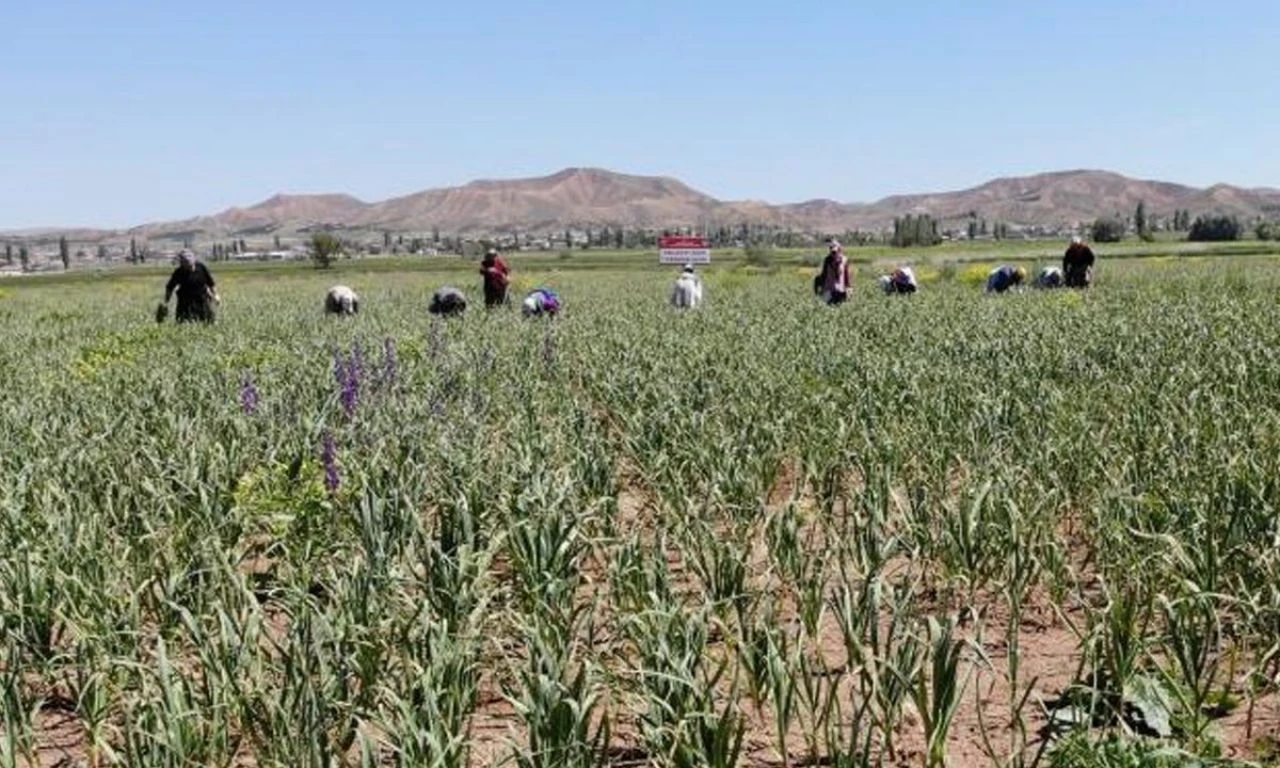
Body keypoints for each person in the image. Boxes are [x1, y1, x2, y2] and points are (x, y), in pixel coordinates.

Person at [163, 250, 219, 323]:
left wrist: (216, 295)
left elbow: (210, 283)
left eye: (190, 264)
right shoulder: (178, 272)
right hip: (185, 303)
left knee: (208, 322)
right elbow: (170, 287)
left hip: (202, 301)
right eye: (185, 264)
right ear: (182, 263)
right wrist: (166, 302)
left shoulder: (201, 268)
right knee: (184, 323)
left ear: (194, 261)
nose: (188, 267)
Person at [818, 240, 851, 305]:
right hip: (829, 288)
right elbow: (824, 274)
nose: (833, 253)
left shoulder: (844, 260)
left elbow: (846, 274)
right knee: (829, 306)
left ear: (839, 249)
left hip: (841, 289)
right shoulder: (827, 260)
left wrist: (848, 287)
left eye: (835, 251)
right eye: (831, 250)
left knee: (840, 306)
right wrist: (821, 286)